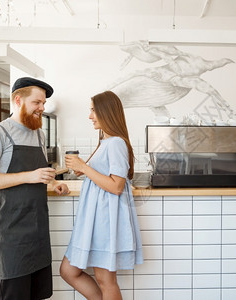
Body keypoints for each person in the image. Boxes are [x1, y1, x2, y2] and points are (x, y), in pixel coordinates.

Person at [0, 77, 70, 300]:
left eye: (43, 103)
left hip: (37, 229)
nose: (42, 108)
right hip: (12, 230)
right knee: (14, 295)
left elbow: (40, 173)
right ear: (18, 100)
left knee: (37, 294)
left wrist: (55, 183)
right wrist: (31, 175)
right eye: (37, 102)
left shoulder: (39, 134)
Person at [60, 91, 143, 300]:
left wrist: (85, 169)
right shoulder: (106, 142)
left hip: (105, 220)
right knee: (68, 271)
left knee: (106, 281)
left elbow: (116, 186)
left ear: (107, 112)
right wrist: (84, 168)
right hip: (95, 220)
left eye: (93, 110)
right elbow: (103, 175)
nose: (90, 116)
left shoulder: (116, 143)